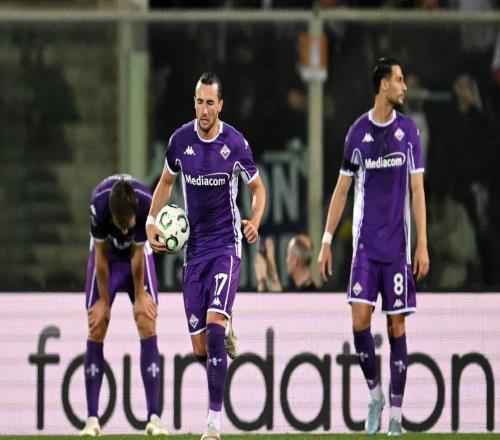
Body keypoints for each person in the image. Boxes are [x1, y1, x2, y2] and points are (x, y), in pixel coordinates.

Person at [146, 72, 266, 440]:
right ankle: (223, 327)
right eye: (199, 102)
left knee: (213, 332)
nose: (204, 109)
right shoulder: (180, 142)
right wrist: (151, 221)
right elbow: (166, 183)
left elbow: (258, 189)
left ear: (221, 105)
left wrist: (255, 220)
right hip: (194, 251)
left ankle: (213, 424)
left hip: (226, 247)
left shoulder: (235, 143)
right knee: (201, 348)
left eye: (210, 103)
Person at [317, 57, 430, 436]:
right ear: (383, 85)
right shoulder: (358, 134)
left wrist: (422, 244)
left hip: (397, 251)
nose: (404, 87)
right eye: (399, 80)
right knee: (360, 322)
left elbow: (417, 189)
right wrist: (326, 240)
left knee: (397, 325)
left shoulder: (409, 132)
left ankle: (396, 415)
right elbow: (342, 190)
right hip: (365, 249)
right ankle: (375, 395)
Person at [80, 174, 168, 437]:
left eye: (129, 226)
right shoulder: (98, 204)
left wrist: (140, 295)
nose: (126, 231)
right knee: (97, 324)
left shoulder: (146, 204)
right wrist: (103, 302)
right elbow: (100, 255)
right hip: (108, 259)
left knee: (146, 320)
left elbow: (139, 254)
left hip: (135, 259)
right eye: (121, 226)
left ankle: (154, 418)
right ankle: (92, 420)